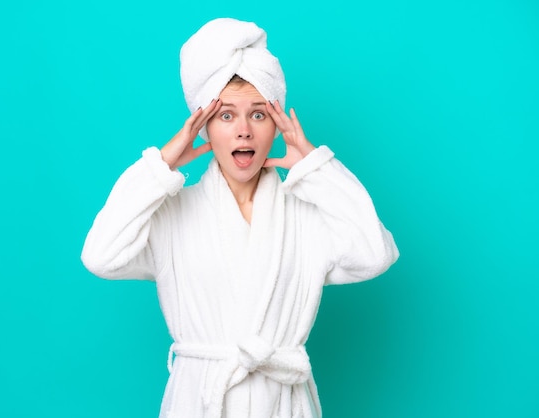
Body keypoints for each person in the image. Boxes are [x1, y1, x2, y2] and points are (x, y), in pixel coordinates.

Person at [81, 17, 399, 418]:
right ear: (204, 127)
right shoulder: (171, 215)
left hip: (282, 405)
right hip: (199, 402)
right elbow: (100, 256)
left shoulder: (306, 218)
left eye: (259, 115)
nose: (244, 131)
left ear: (276, 125)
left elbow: (374, 255)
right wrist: (159, 168)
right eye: (226, 115)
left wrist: (318, 169)